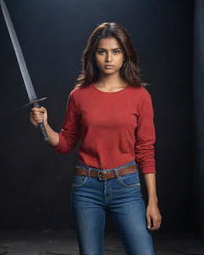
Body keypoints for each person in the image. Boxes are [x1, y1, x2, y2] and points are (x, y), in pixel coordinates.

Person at [30, 22, 162, 255]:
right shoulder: (79, 95)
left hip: (126, 187)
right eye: (102, 52)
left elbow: (146, 150)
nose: (109, 58)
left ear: (126, 55)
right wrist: (44, 126)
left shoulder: (140, 96)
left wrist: (153, 201)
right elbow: (65, 143)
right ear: (93, 55)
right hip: (86, 187)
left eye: (116, 51)